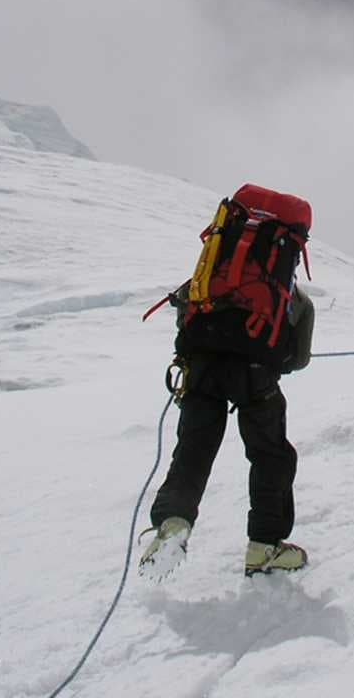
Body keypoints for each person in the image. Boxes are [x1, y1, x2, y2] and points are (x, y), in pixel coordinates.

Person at [140, 185, 316, 579]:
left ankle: (173, 523)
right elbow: (298, 357)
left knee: (194, 450)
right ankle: (265, 547)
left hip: (201, 366)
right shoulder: (287, 294)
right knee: (271, 455)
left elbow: (187, 310)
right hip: (256, 378)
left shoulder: (213, 269)